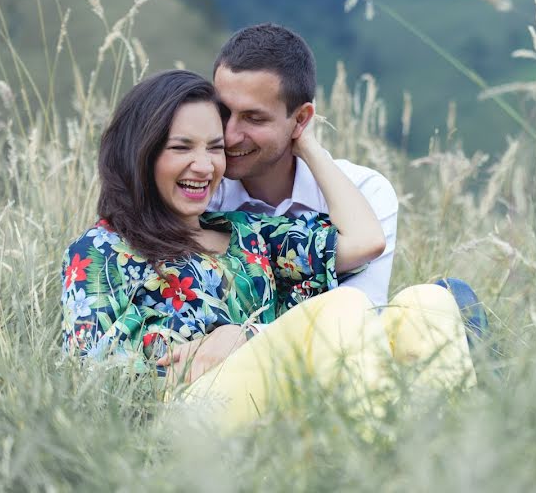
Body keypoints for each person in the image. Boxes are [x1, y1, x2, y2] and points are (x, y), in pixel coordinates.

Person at [60, 70, 476, 431]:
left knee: (430, 304)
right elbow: (93, 378)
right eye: (181, 147)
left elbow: (365, 241)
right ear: (142, 153)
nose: (204, 166)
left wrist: (305, 142)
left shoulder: (249, 235)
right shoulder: (101, 250)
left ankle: (444, 462)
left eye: (215, 147)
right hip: (186, 416)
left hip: (279, 400)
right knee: (344, 306)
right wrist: (199, 361)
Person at [207, 23, 488, 341]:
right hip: (247, 376)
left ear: (301, 119)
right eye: (222, 111)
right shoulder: (203, 194)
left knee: (450, 302)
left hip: (345, 358)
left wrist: (310, 149)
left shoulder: (366, 190)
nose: (229, 135)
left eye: (254, 118)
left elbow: (361, 313)